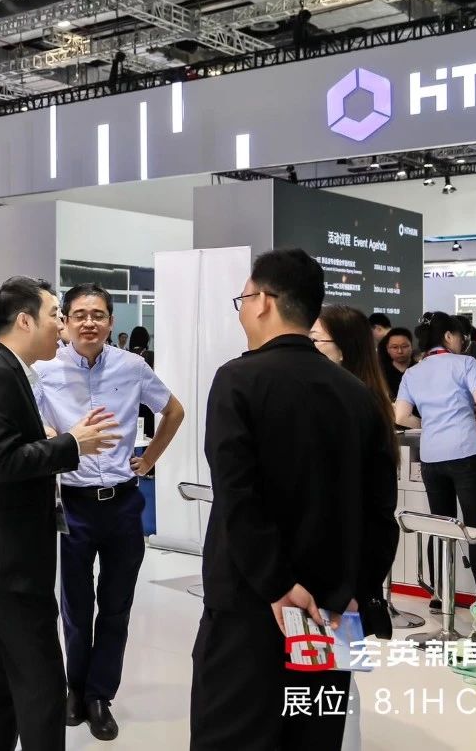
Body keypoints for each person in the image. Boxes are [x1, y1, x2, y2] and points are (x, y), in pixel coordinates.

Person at [190, 250, 398, 751]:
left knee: (234, 735)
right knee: (315, 735)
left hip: (252, 605)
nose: (243, 309)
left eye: (243, 299)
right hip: (332, 609)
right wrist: (357, 590)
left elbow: (238, 497)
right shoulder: (357, 394)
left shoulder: (237, 380)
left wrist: (278, 584)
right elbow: (379, 511)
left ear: (263, 301)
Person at [0, 276, 121, 751]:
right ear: (25, 321)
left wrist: (50, 440)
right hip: (10, 559)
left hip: (10, 554)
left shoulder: (10, 371)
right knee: (42, 684)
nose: (62, 326)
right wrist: (71, 444)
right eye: (55, 315)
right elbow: (2, 462)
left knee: (1, 675)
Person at [34, 283, 184, 741]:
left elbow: (174, 411)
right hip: (73, 506)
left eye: (98, 315)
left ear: (110, 321)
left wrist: (149, 459)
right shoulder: (45, 369)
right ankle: (75, 689)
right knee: (76, 608)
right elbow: (33, 423)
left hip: (122, 504)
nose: (89, 323)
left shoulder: (132, 366)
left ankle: (101, 695)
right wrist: (60, 441)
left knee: (116, 606)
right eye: (79, 314)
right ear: (65, 321)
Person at [308, 305, 401, 750]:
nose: (307, 349)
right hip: (331, 577)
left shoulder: (358, 409)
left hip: (341, 580)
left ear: (343, 350)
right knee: (326, 675)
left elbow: (378, 514)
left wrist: (355, 585)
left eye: (315, 341)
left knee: (334, 679)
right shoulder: (342, 400)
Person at [394, 312, 476, 598]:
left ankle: (439, 595)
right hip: (466, 453)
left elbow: (401, 416)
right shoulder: (465, 363)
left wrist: (428, 423)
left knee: (440, 525)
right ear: (449, 336)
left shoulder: (412, 372)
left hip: (431, 457)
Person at [378, 327, 416, 401]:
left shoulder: (420, 370)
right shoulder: (381, 373)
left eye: (404, 346)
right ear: (387, 349)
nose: (400, 351)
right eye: (394, 347)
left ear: (411, 346)